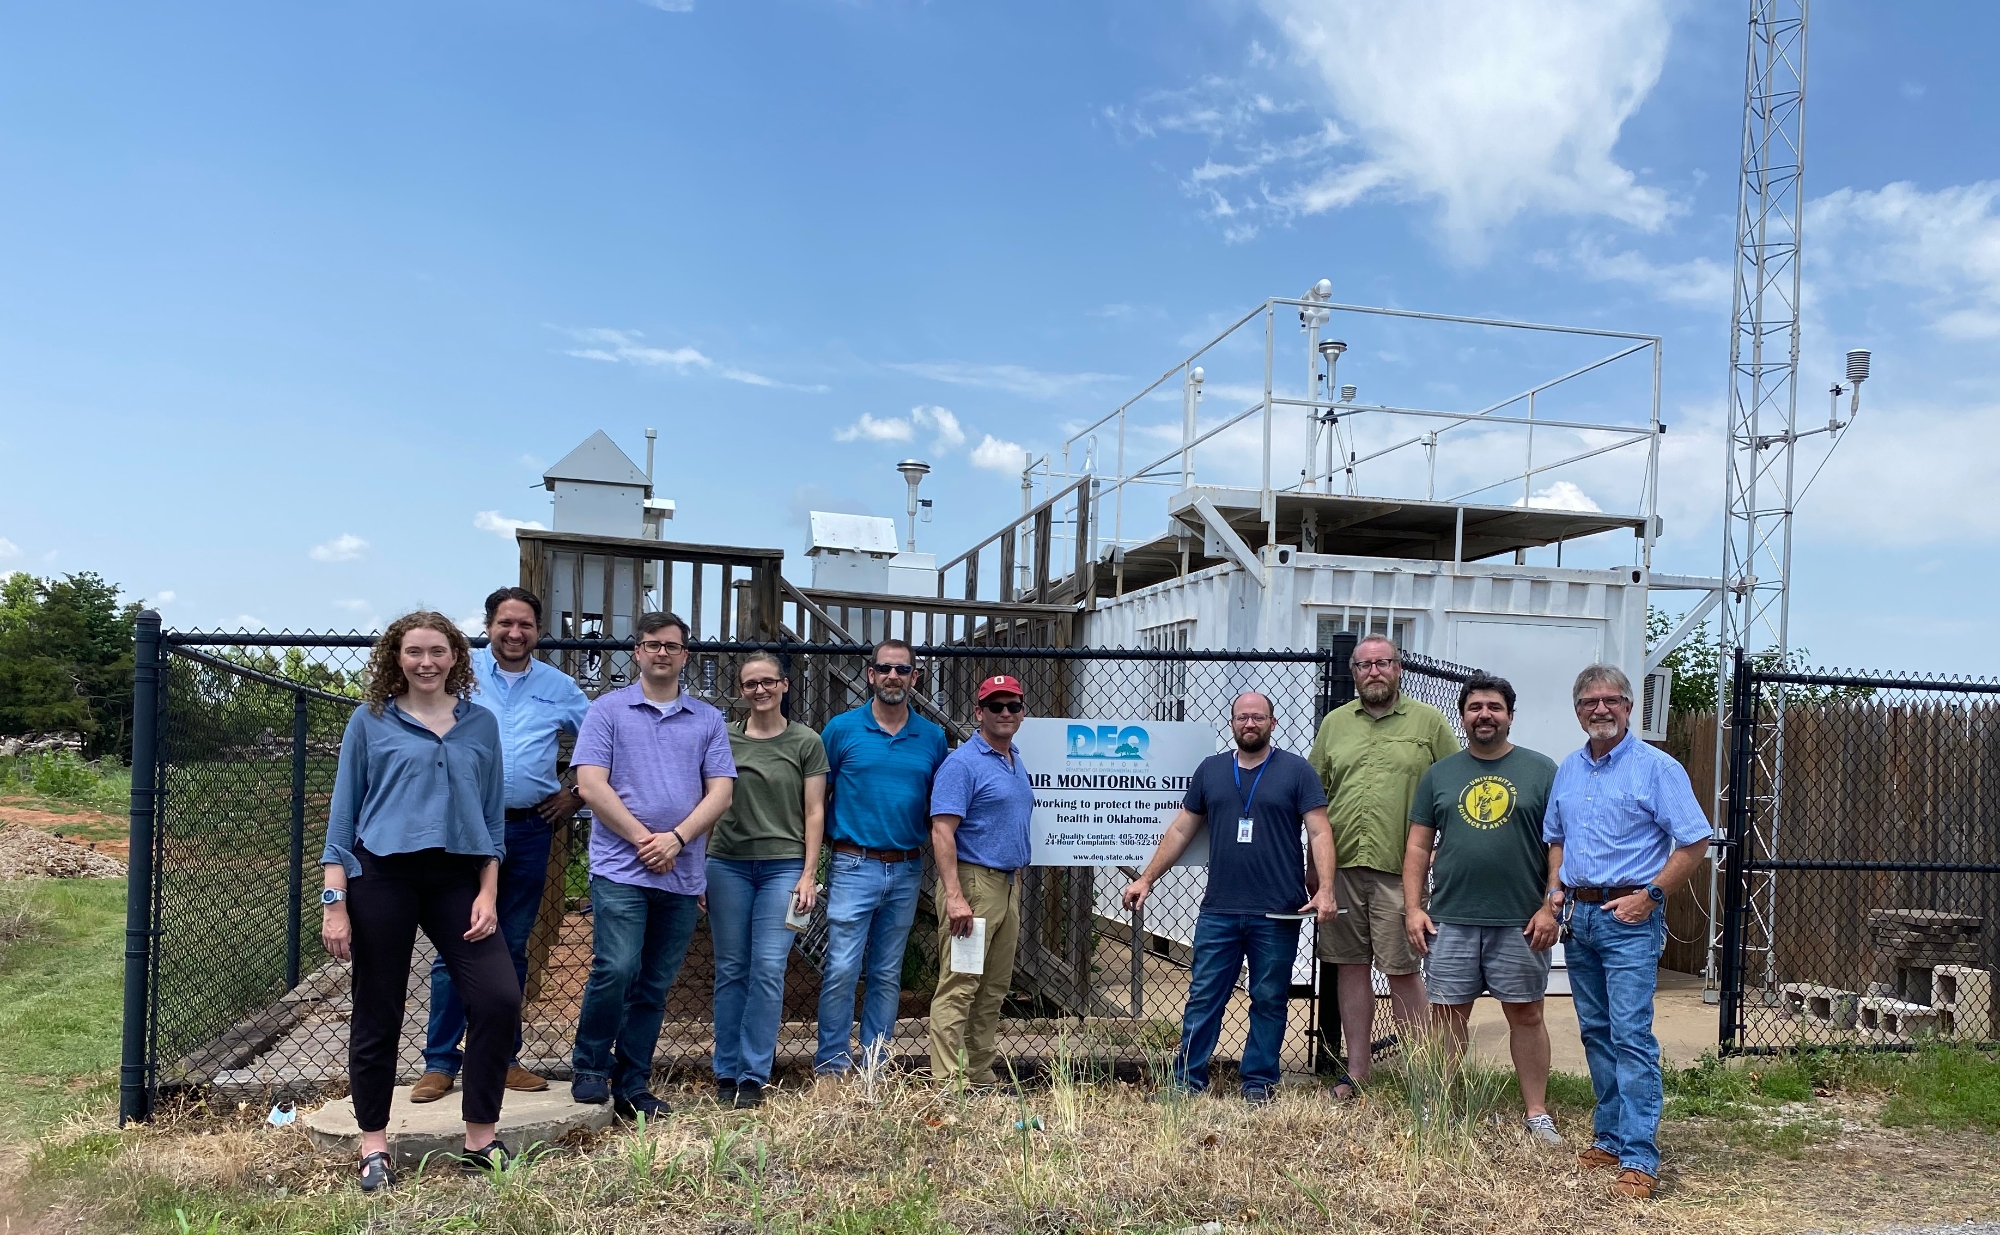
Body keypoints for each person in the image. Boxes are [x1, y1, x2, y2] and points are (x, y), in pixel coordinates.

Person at [319, 611, 519, 1191]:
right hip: (382, 874)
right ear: (396, 659)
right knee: (378, 1010)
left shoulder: (480, 725)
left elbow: (490, 818)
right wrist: (336, 900)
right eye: (414, 652)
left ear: (456, 656)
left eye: (437, 651)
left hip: (458, 878)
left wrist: (488, 893)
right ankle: (373, 1145)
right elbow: (343, 814)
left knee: (498, 999)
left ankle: (480, 1137)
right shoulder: (370, 720)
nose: (426, 662)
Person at [413, 587, 589, 1104]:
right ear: (488, 625)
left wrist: (576, 794)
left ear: (538, 630)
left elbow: (606, 740)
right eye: (506, 623)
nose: (516, 633)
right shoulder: (458, 678)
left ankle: (501, 1059)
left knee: (511, 948)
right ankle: (440, 1063)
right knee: (454, 945)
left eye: (526, 625)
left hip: (529, 829)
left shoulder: (559, 687)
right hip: (460, 833)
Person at [1123, 691, 1337, 1104]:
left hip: (1278, 911)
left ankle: (1258, 1083)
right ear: (1232, 723)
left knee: (1269, 998)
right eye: (1242, 717)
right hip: (1219, 909)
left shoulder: (1297, 772)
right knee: (1205, 996)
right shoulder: (1212, 771)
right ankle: (1187, 1082)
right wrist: (1147, 877)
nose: (1250, 724)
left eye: (1258, 717)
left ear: (1273, 724)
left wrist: (1326, 889)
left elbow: (1320, 831)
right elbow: (1182, 829)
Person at [1546, 663, 1710, 1200]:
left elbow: (1692, 843)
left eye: (1612, 700)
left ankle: (1639, 1156)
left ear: (1629, 708)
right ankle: (1610, 1137)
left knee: (1631, 1035)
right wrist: (1555, 891)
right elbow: (1557, 839)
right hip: (1580, 917)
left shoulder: (1657, 768)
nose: (1601, 709)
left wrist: (1652, 896)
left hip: (1629, 918)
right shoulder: (1568, 769)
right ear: (1577, 711)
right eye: (1591, 702)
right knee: (1595, 1031)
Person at [570, 611, 735, 1121]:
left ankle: (632, 1083)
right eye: (651, 645)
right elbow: (591, 784)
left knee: (655, 983)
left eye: (671, 646)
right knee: (616, 968)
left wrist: (678, 839)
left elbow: (722, 792)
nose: (661, 653)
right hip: (621, 866)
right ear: (637, 653)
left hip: (682, 874)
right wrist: (646, 840)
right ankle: (591, 1066)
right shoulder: (608, 711)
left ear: (685, 655)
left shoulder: (707, 719)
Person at [1402, 672, 1564, 1145]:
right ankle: (1437, 1106)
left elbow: (1559, 843)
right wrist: (1414, 908)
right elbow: (1417, 846)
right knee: (1448, 1015)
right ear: (1464, 715)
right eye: (1476, 707)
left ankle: (1536, 1113)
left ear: (1510, 715)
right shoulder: (1441, 774)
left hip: (1520, 920)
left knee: (1527, 1014)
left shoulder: (1541, 771)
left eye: (1494, 707)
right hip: (1451, 916)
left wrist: (1549, 906)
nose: (1485, 715)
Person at [1307, 634, 1459, 1098]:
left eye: (1383, 663)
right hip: (1343, 870)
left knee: (1402, 970)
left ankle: (1422, 1074)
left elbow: (1455, 787)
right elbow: (1314, 798)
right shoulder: (1334, 724)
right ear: (1352, 673)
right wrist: (1315, 869)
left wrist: (1438, 847)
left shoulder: (1428, 723)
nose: (1374, 672)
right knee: (1350, 967)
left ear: (1399, 669)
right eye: (1365, 665)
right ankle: (1357, 1071)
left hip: (1401, 872)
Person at [813, 639, 948, 1076]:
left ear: (915, 678)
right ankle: (832, 1066)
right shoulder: (841, 729)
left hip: (908, 866)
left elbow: (940, 807)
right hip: (854, 864)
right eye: (885, 669)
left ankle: (875, 1066)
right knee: (841, 969)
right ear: (870, 675)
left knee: (887, 973)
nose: (893, 677)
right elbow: (816, 800)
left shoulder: (932, 737)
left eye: (903, 670)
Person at [709, 652, 827, 1108]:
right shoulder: (723, 738)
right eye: (749, 683)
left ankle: (753, 1074)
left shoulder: (806, 741)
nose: (759, 690)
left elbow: (815, 811)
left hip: (783, 868)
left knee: (768, 969)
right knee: (731, 969)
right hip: (727, 864)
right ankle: (726, 1069)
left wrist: (809, 873)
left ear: (784, 685)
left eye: (767, 682)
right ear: (741, 690)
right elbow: (707, 801)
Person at [928, 674, 1036, 1087]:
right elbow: (942, 831)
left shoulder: (1013, 758)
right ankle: (948, 1082)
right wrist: (955, 896)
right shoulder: (963, 763)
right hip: (973, 885)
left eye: (1013, 706)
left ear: (1023, 712)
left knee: (993, 987)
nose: (1005, 713)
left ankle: (978, 1070)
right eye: (995, 706)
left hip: (1007, 885)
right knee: (960, 983)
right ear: (979, 713)